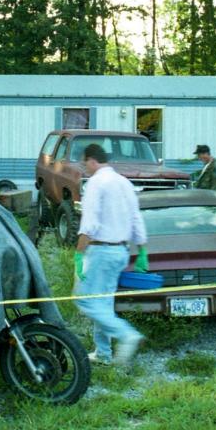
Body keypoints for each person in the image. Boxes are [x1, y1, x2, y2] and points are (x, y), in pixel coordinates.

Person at [74, 143, 147, 366]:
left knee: (84, 300)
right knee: (102, 302)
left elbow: (90, 222)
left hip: (100, 250)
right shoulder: (124, 183)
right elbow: (136, 217)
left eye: (84, 162)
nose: (84, 167)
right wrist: (142, 249)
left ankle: (126, 335)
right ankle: (103, 352)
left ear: (92, 160)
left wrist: (78, 253)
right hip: (121, 251)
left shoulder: (96, 183)